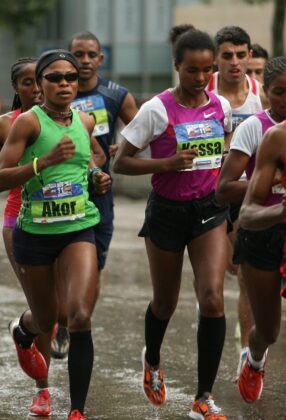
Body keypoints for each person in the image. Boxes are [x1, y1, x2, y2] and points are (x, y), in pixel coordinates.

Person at [113, 29, 232, 419]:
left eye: (207, 70)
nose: (200, 78)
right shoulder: (157, 109)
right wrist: (166, 163)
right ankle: (152, 360)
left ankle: (203, 397)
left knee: (212, 299)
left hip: (209, 209)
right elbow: (122, 162)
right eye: (192, 70)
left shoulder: (221, 107)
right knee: (164, 302)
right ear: (177, 66)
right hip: (166, 209)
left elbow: (226, 153)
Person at [0, 50, 110, 420]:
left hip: (78, 227)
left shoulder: (86, 120)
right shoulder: (28, 123)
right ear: (40, 85)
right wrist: (43, 162)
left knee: (78, 315)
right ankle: (23, 330)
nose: (64, 84)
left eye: (71, 78)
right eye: (55, 78)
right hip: (35, 233)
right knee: (47, 320)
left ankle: (77, 410)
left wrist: (95, 176)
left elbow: (88, 160)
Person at [49, 30, 138, 359]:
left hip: (99, 193)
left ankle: (78, 323)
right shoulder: (56, 91)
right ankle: (59, 320)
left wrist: (123, 146)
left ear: (101, 59)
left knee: (93, 266)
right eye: (79, 54)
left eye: (91, 55)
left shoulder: (116, 95)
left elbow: (146, 131)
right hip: (58, 192)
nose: (85, 61)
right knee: (60, 266)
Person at [0, 57, 55, 416]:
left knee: (65, 306)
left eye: (41, 80)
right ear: (17, 88)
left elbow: (94, 158)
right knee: (45, 307)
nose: (36, 89)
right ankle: (43, 390)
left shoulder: (70, 119)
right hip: (19, 218)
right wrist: (13, 161)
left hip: (66, 217)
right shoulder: (3, 125)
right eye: (27, 82)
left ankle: (27, 329)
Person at [225, 56, 286, 404]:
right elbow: (239, 206)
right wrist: (277, 199)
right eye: (279, 92)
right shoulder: (266, 133)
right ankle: (255, 359)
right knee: (268, 330)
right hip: (263, 234)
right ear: (266, 92)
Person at [207, 26, 263, 360]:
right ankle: (209, 323)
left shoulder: (259, 93)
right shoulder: (204, 88)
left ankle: (245, 353)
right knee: (217, 276)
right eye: (227, 55)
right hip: (209, 192)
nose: (235, 62)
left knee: (243, 273)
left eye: (241, 55)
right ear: (216, 58)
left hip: (246, 192)